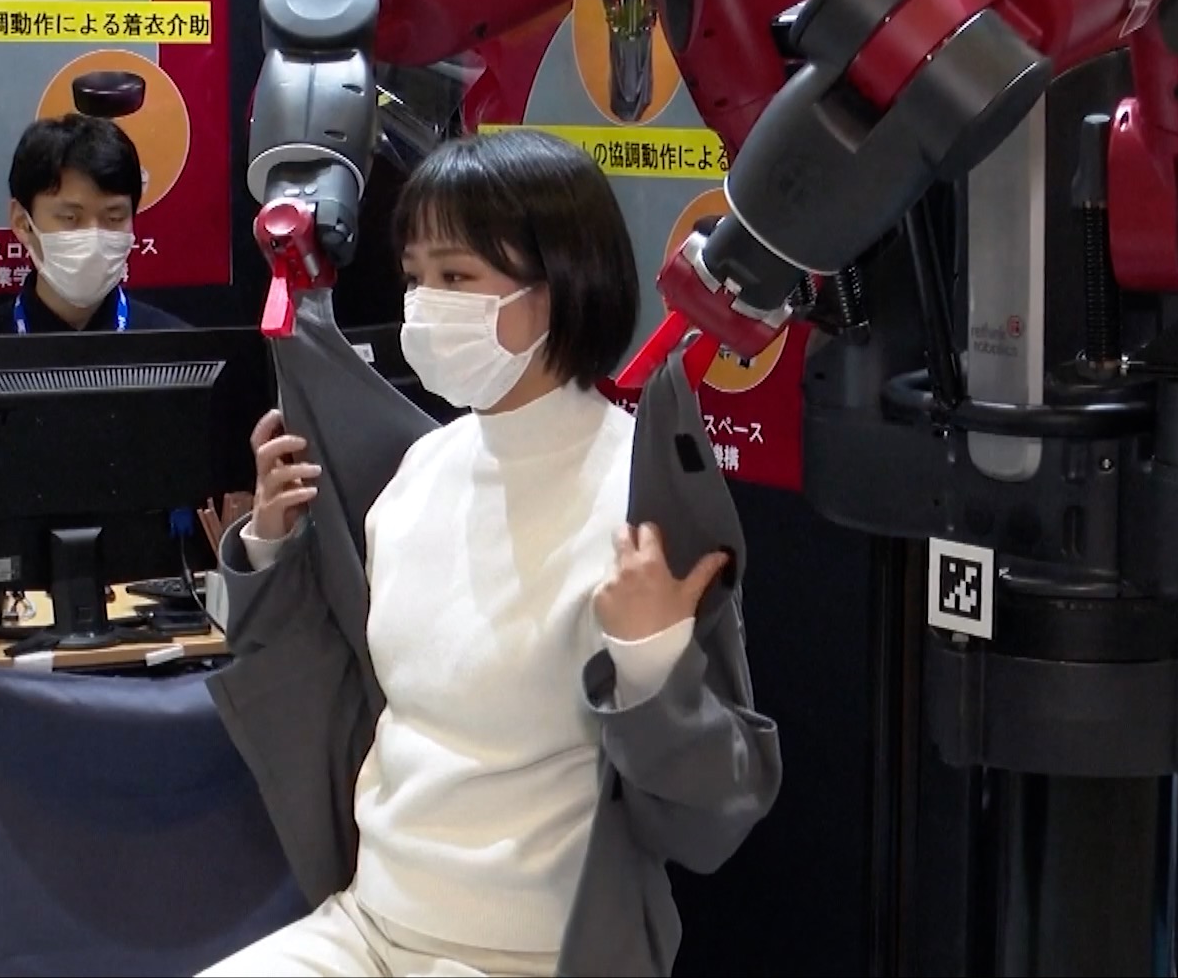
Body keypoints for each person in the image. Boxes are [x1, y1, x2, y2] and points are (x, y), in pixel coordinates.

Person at [199, 129, 780, 977]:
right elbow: (334, 693)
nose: (424, 305)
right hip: (368, 926)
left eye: (457, 277)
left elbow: (715, 810)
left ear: (559, 287)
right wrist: (270, 548)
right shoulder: (419, 473)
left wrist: (653, 660)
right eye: (415, 276)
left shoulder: (640, 500)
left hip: (533, 955)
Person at [0, 114, 187, 337]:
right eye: (70, 217)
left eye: (114, 218)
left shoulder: (179, 348)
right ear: (22, 221)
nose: (94, 239)